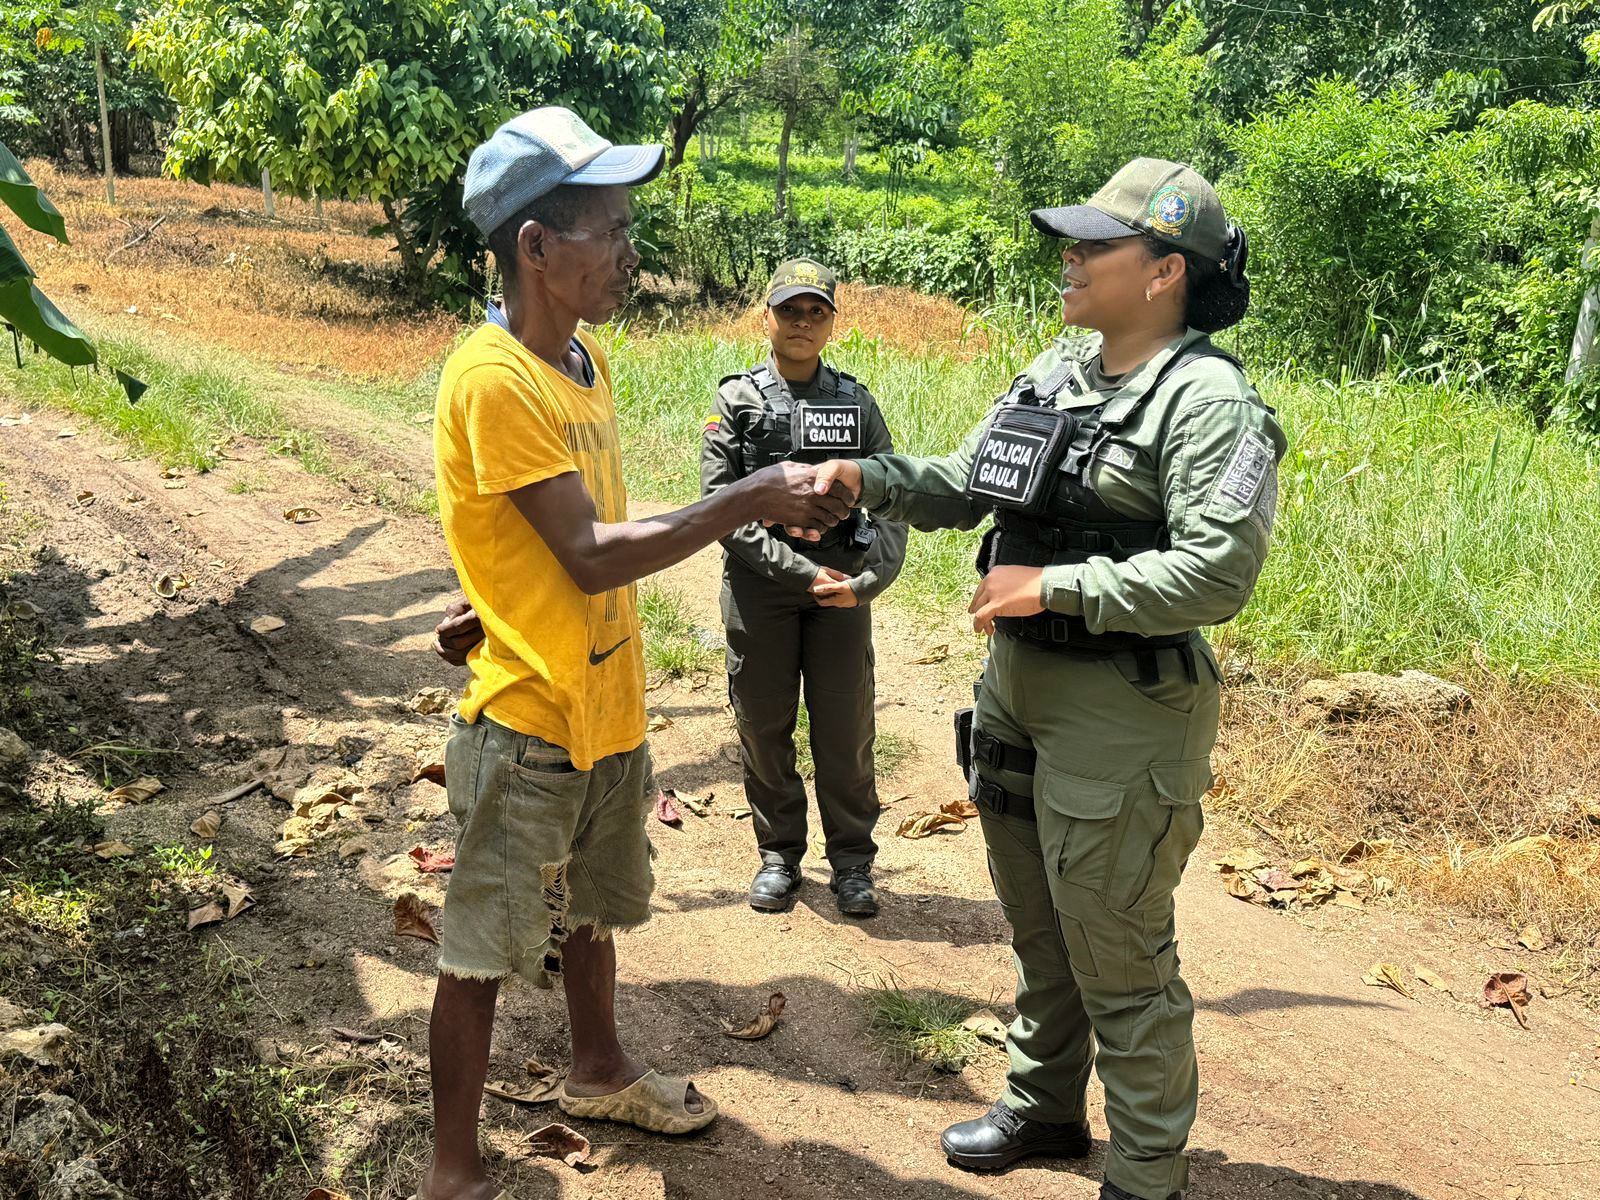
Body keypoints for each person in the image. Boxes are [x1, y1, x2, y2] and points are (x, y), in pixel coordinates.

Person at [797, 159, 1285, 1200]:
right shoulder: (1055, 372)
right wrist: (866, 479)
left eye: (1090, 245)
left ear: (1163, 272)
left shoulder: (1209, 403)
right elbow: (968, 484)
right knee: (1036, 922)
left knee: (1117, 945)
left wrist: (1054, 585)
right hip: (1017, 691)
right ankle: (1044, 1107)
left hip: (1124, 713)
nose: (1066, 259)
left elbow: (1217, 572)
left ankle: (1146, 1173)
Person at [421, 107, 853, 1200]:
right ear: (534, 246)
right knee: (481, 948)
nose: (627, 250)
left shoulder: (580, 357)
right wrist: (746, 496)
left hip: (603, 699)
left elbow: (545, 526)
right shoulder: (494, 377)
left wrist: (484, 593)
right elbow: (587, 552)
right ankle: (452, 1169)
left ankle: (598, 1068)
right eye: (606, 228)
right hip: (526, 720)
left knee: (595, 907)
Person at [701, 260, 908, 918]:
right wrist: (799, 571)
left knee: (845, 730)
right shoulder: (737, 402)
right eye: (789, 310)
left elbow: (894, 497)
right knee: (764, 725)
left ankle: (852, 864)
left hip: (842, 594)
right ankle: (779, 856)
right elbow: (720, 511)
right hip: (761, 590)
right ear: (766, 318)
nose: (801, 322)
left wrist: (868, 578)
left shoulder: (856, 403)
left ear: (831, 323)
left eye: (815, 311)